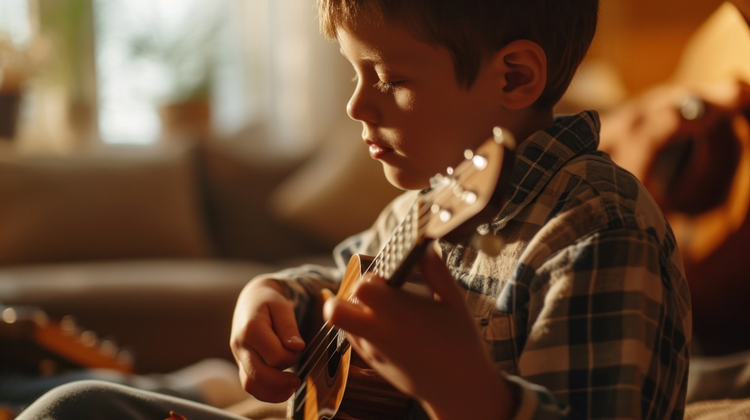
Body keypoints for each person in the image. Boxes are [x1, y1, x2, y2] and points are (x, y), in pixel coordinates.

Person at [15, 0, 692, 419]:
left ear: (514, 77)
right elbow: (338, 278)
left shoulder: (596, 227)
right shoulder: (429, 205)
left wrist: (469, 395)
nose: (356, 107)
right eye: (353, 73)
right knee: (77, 406)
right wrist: (272, 295)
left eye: (391, 80)